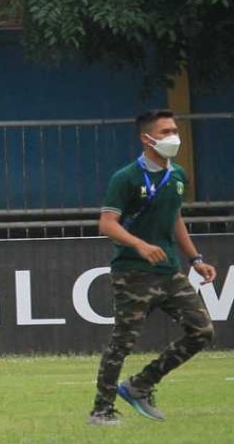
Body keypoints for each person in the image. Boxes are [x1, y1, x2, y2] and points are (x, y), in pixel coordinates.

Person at [90, 109, 216, 424]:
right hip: (133, 272)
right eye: (165, 132)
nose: (174, 137)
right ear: (146, 138)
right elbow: (107, 224)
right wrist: (140, 244)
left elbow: (174, 218)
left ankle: (140, 385)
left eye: (175, 130)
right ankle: (101, 410)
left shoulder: (177, 175)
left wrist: (195, 259)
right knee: (123, 340)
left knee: (202, 331)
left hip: (170, 271)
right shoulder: (126, 177)